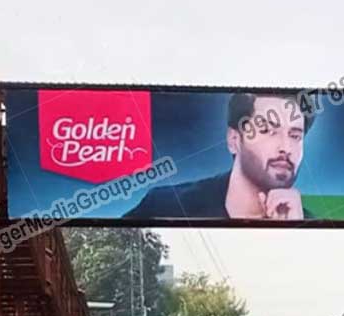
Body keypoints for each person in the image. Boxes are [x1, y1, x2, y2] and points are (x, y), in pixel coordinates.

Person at [124, 92, 317, 221]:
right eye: (267, 131)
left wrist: (296, 232)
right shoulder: (164, 206)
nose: (286, 148)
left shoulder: (307, 222)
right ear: (234, 140)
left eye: (295, 136)